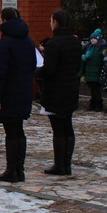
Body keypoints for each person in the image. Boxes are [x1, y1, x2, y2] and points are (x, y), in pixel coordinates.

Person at [0, 8, 36, 183]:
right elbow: (32, 64)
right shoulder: (28, 40)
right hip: (23, 90)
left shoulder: (6, 42)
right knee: (19, 131)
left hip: (8, 92)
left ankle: (11, 170)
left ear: (4, 20)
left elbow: (1, 72)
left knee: (11, 132)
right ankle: (20, 169)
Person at [34, 10, 80, 176]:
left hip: (56, 89)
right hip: (70, 87)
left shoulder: (54, 43)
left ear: (56, 22)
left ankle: (60, 164)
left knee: (58, 129)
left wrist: (37, 72)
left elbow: (50, 69)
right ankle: (66, 163)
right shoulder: (75, 42)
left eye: (51, 20)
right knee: (67, 126)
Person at [81, 29, 106, 111]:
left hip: (97, 72)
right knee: (92, 90)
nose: (92, 40)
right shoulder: (89, 48)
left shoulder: (101, 49)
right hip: (89, 72)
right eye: (91, 39)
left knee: (96, 90)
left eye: (94, 38)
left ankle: (98, 104)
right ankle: (93, 103)